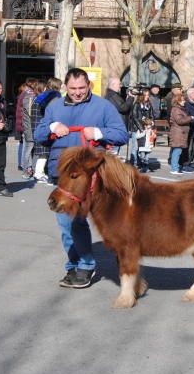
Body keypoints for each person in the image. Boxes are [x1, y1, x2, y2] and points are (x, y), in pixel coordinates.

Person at [34, 68, 128, 289]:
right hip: (67, 176)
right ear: (66, 87)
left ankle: (123, 254)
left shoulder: (103, 106)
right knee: (68, 222)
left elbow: (121, 134)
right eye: (73, 88)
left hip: (97, 175)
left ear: (90, 86)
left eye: (82, 88)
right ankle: (79, 265)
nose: (77, 93)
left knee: (111, 220)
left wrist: (98, 133)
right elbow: (38, 135)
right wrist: (51, 127)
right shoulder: (54, 107)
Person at [31, 78, 61, 181]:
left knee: (41, 153)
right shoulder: (53, 97)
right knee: (44, 153)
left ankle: (39, 171)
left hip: (37, 125)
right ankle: (39, 173)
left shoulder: (40, 97)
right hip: (44, 127)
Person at [16, 78, 42, 177]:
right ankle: (27, 169)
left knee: (32, 149)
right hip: (29, 127)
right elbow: (31, 114)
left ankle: (31, 169)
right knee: (28, 148)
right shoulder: (29, 97)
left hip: (29, 127)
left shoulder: (30, 96)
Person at [104, 77, 133, 159]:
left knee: (113, 152)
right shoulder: (112, 95)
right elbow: (123, 108)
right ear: (113, 85)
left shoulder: (113, 95)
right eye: (119, 84)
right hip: (115, 128)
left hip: (114, 127)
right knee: (113, 153)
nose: (120, 86)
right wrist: (130, 98)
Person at [168, 92, 193, 175]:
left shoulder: (180, 109)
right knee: (177, 151)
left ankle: (176, 167)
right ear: (178, 101)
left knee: (178, 151)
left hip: (180, 133)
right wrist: (190, 118)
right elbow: (180, 121)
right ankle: (174, 168)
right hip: (177, 133)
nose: (184, 102)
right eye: (182, 100)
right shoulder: (176, 109)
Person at [130, 91, 154, 171]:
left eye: (148, 95)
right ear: (141, 96)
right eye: (145, 95)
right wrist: (141, 128)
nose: (147, 96)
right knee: (135, 147)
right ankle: (134, 163)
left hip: (147, 129)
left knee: (145, 147)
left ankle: (143, 163)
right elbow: (134, 117)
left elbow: (152, 116)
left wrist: (151, 123)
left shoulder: (149, 105)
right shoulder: (136, 105)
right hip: (136, 129)